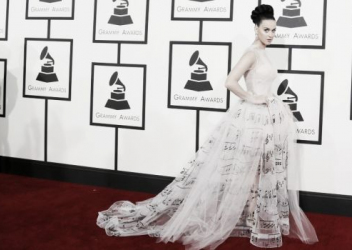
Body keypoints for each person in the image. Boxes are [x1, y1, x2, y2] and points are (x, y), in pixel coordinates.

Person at [96, 4, 319, 249]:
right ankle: (248, 217)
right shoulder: (252, 53)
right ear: (255, 28)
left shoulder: (263, 52)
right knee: (249, 169)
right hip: (252, 119)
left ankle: (256, 219)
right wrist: (252, 97)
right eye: (266, 29)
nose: (270, 34)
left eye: (274, 30)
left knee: (259, 171)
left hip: (266, 119)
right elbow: (230, 81)